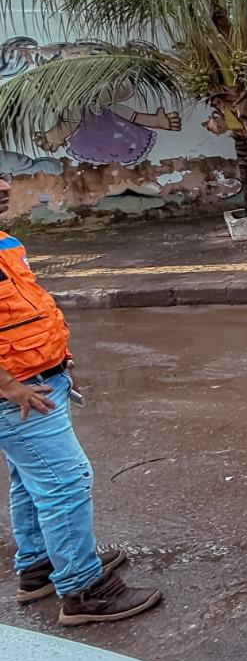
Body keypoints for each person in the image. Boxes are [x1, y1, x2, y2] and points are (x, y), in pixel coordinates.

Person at [0, 175, 162, 626]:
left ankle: (40, 568)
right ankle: (85, 590)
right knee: (63, 482)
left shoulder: (4, 243)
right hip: (20, 393)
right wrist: (9, 386)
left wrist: (54, 358)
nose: (3, 183)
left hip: (36, 380)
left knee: (31, 480)